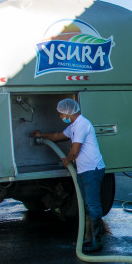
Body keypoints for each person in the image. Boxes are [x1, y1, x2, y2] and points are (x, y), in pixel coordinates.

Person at [30, 98, 106, 252]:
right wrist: (42, 135)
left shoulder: (82, 124)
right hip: (84, 170)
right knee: (86, 204)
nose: (60, 116)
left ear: (68, 112)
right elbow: (58, 136)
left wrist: (67, 160)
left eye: (61, 113)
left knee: (92, 204)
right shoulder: (73, 126)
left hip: (92, 169)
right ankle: (88, 238)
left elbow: (75, 150)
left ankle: (96, 241)